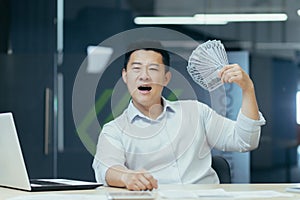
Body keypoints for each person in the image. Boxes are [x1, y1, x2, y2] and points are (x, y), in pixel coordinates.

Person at [92, 40, 266, 191]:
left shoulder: (196, 112)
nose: (144, 76)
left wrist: (247, 89)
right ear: (125, 76)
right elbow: (106, 168)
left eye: (153, 69)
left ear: (166, 78)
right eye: (136, 69)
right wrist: (126, 177)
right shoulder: (114, 130)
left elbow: (245, 140)